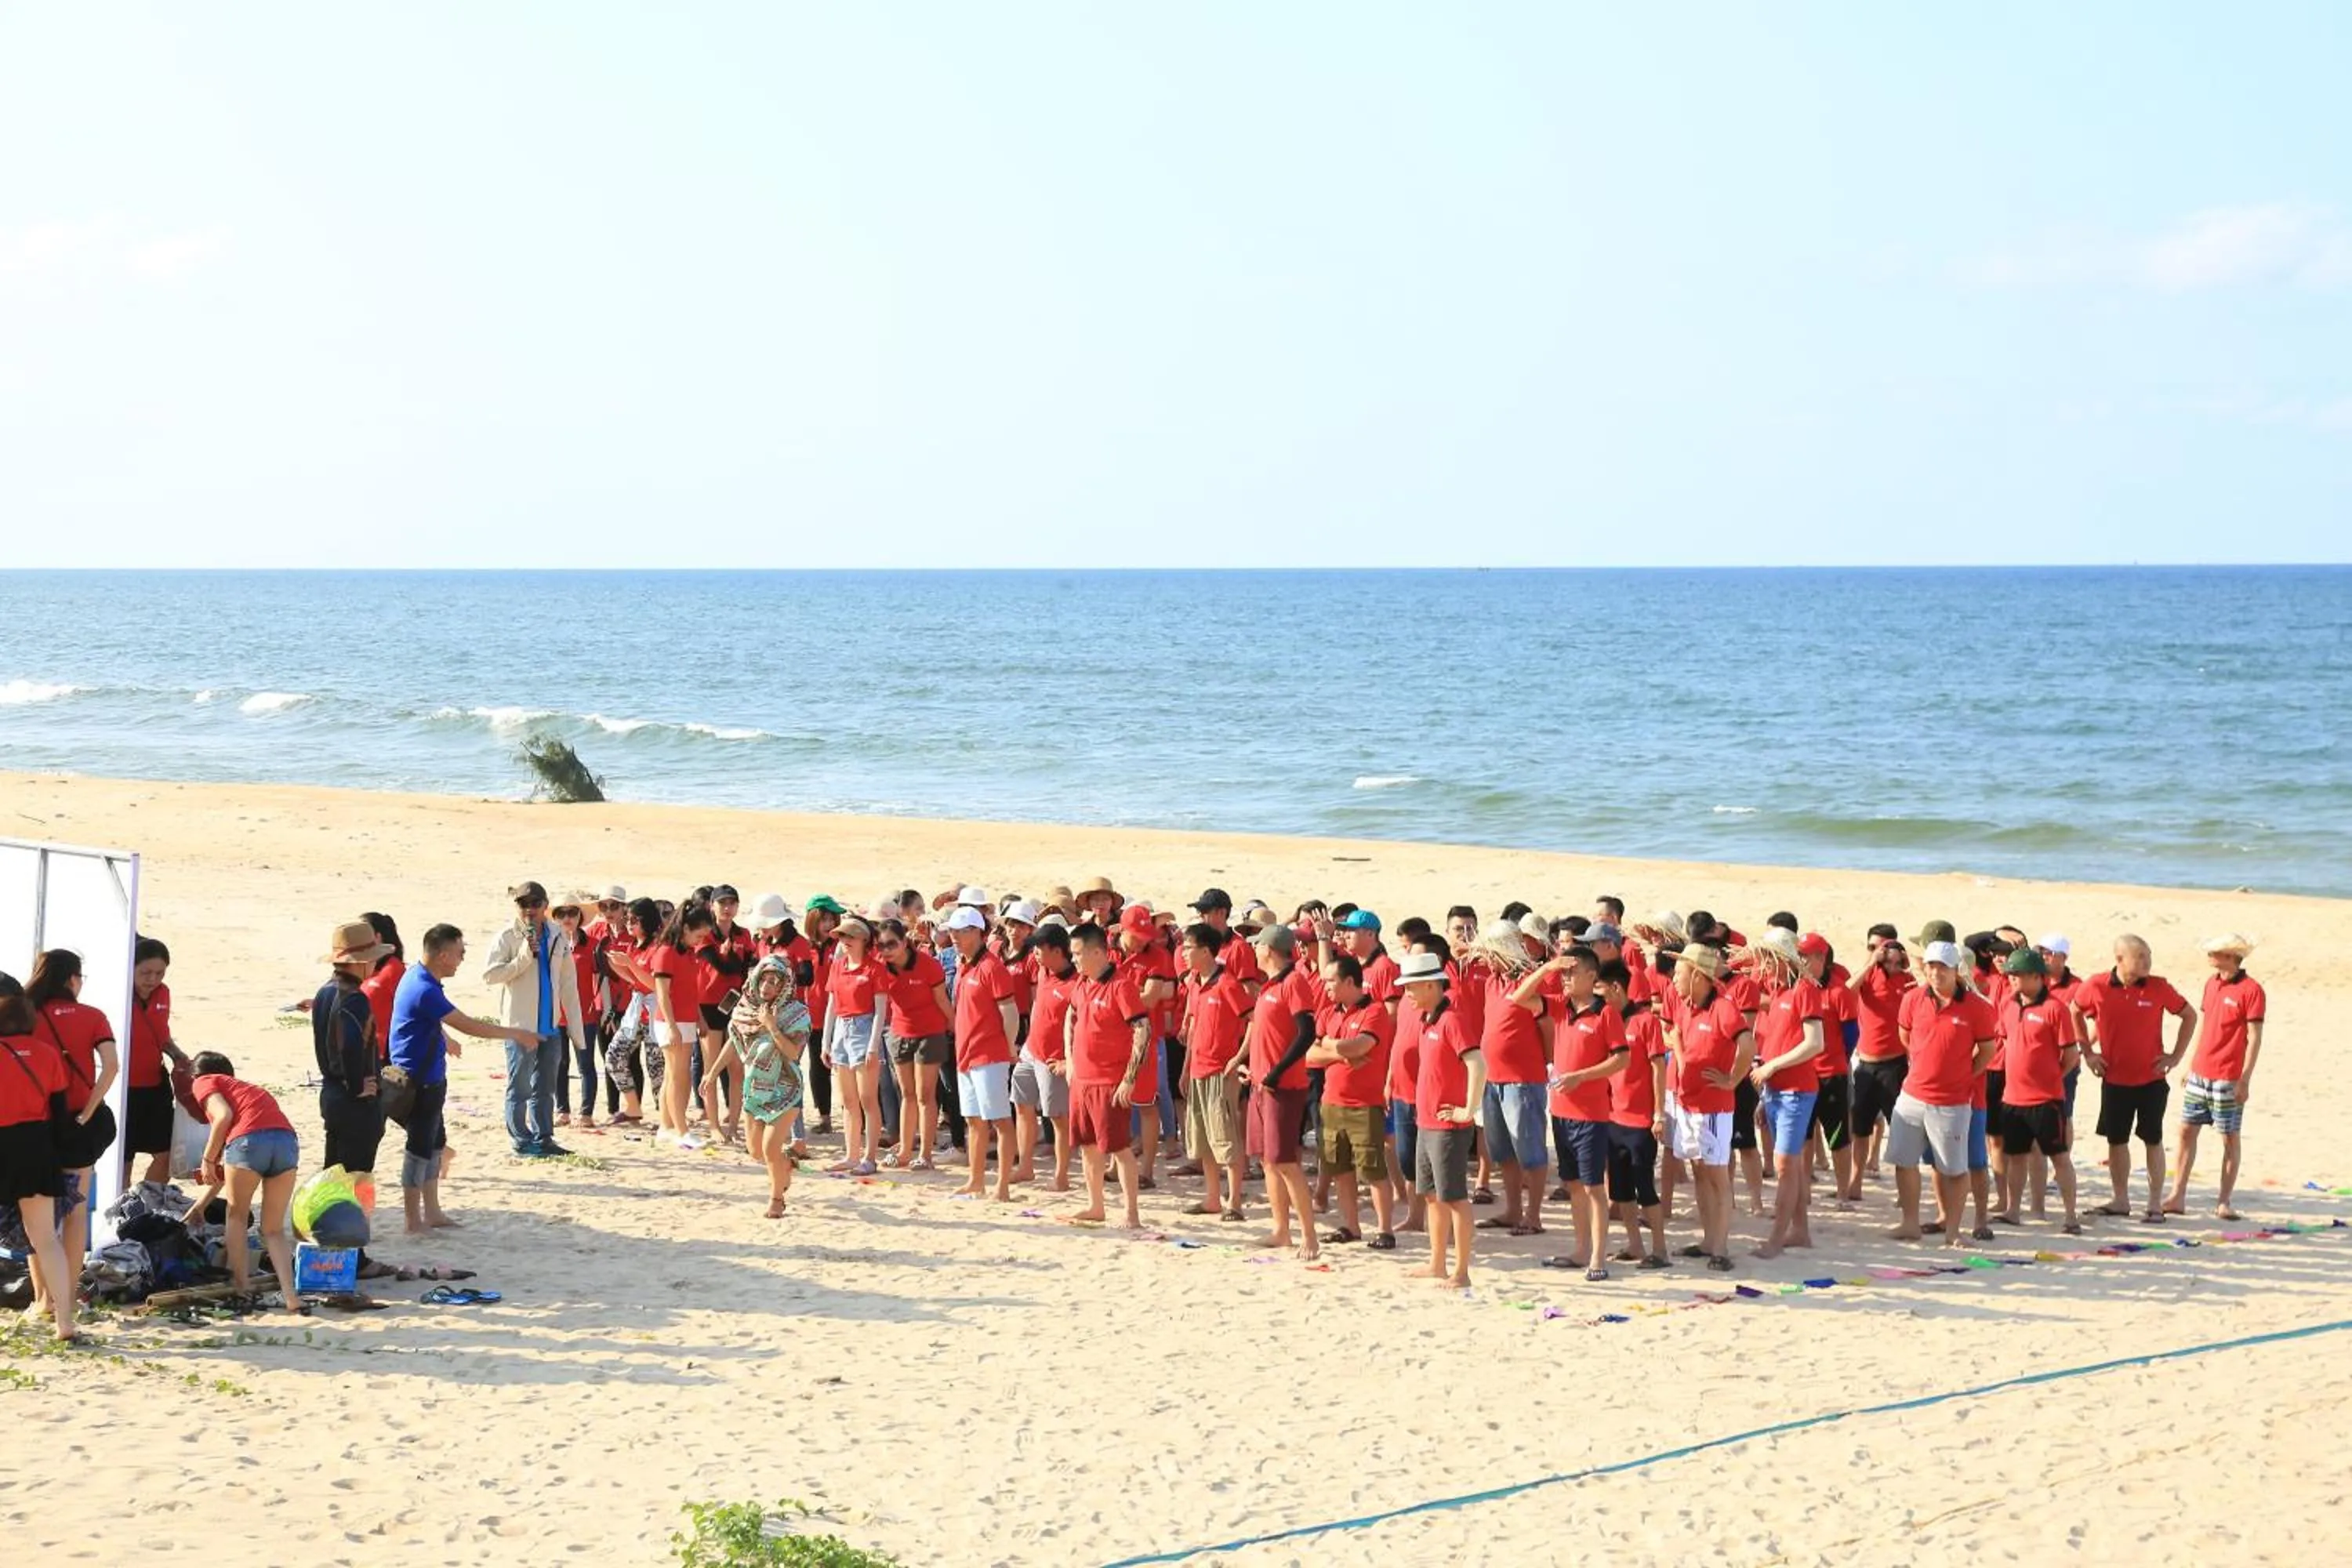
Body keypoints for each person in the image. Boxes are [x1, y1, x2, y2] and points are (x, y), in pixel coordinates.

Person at [389, 924, 542, 1233]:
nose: (462, 959)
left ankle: (431, 1212)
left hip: (430, 1077)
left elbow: (427, 1020)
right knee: (418, 1150)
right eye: (460, 953)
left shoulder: (420, 978)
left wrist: (444, 1039)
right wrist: (516, 1033)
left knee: (435, 1145)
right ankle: (412, 1220)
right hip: (416, 1082)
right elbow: (470, 1025)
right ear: (443, 955)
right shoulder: (423, 987)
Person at [2074, 934, 2197, 1223]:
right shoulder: (2096, 985)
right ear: (2120, 959)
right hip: (2115, 1079)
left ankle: (2155, 1204)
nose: (2146, 962)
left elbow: (2189, 1015)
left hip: (2151, 1080)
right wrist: (2088, 1052)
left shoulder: (2159, 986)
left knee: (2152, 1139)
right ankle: (2120, 1199)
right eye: (2140, 956)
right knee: (2116, 1141)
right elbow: (2075, 1011)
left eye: (2149, 956)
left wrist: (2175, 1057)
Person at [1888, 942, 1998, 1248]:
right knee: (1905, 1161)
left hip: (1952, 1101)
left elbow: (1988, 1050)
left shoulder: (1978, 1007)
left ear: (1955, 970)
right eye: (1931, 966)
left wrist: (1964, 1075)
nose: (1935, 972)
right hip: (1912, 1095)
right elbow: (1905, 1035)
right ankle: (1910, 1224)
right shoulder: (1912, 999)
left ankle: (1953, 1231)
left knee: (1954, 1169)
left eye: (1942, 967)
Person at [25, 949, 118, 1301]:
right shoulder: (93, 1016)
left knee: (37, 1218)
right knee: (77, 1213)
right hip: (80, 1124)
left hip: (37, 1124)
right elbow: (110, 1066)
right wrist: (87, 1112)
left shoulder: (26, 1013)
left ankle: (43, 1300)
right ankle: (67, 1297)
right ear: (72, 979)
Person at [180, 1051, 306, 1312]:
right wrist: (200, 1207)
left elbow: (223, 1117)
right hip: (286, 1142)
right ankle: (291, 1297)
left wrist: (207, 1158)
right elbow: (232, 1168)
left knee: (236, 1217)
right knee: (272, 1229)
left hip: (249, 1141)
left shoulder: (204, 1081)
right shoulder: (248, 1092)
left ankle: (241, 1287)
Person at [479, 882, 588, 1158]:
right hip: (519, 1026)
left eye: (535, 903)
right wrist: (523, 958)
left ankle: (544, 1137)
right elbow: (490, 975)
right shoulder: (507, 936)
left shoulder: (556, 934)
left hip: (549, 1025)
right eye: (523, 904)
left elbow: (568, 982)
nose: (529, 909)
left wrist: (576, 1029)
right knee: (520, 1086)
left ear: (544, 905)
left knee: (546, 1086)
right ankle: (520, 1139)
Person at [1664, 944, 1752, 1273]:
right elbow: (1674, 1032)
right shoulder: (1687, 1006)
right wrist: (1682, 1054)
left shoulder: (1724, 1007)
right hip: (1689, 1101)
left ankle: (1721, 1246)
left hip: (1713, 1107)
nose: (1674, 980)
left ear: (1698, 976)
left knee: (1717, 1175)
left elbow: (1748, 1043)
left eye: (1679, 974)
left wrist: (1733, 1079)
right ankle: (1707, 1240)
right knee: (1700, 1169)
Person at [0, 972, 78, 1341]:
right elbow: (60, 1115)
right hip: (36, 1146)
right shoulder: (47, 1054)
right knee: (46, 1238)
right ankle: (65, 1322)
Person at [2165, 935, 2265, 1221]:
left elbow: (2255, 1037)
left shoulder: (2251, 990)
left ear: (2232, 957)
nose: (2211, 954)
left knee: (2229, 1137)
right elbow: (2205, 1026)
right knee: (2186, 1131)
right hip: (2201, 1072)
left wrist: (2245, 1079)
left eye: (2217, 951)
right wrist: (2190, 1065)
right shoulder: (2211, 984)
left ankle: (2224, 1201)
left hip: (2228, 1076)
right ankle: (2177, 1196)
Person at [1541, 946, 1628, 1279]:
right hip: (1560, 1111)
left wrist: (1581, 1076)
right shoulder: (1560, 1008)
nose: (1565, 978)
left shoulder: (1606, 1013)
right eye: (1564, 973)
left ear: (1592, 977)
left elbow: (1622, 1058)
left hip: (1591, 1114)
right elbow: (1519, 998)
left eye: (1571, 972)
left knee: (1593, 1187)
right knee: (1574, 1184)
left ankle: (1598, 1258)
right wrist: (1551, 966)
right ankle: (1580, 1249)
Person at [700, 956, 808, 1218]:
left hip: (786, 1089)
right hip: (755, 1088)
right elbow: (734, 1041)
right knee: (756, 1151)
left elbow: (793, 1054)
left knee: (771, 1147)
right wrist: (712, 1073)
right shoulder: (745, 1008)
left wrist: (772, 1027)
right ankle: (786, 1166)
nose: (767, 986)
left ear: (784, 985)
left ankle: (776, 1200)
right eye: (764, 979)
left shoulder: (796, 1013)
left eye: (774, 981)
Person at [1402, 950, 1483, 1289]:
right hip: (1427, 1121)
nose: (1407, 994)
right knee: (1433, 1196)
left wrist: (1469, 1109)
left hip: (1449, 1126)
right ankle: (1437, 1262)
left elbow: (1477, 1062)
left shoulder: (1452, 1019)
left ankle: (1461, 1271)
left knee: (1453, 1198)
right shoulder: (1428, 1019)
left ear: (1432, 986)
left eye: (1412, 988)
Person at [1305, 953, 1396, 1250]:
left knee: (1372, 1170)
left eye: (1331, 980)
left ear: (1349, 981)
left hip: (1364, 1104)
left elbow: (1362, 1045)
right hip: (1331, 1102)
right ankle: (1351, 1226)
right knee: (1339, 1168)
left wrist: (1332, 1046)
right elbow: (1310, 1056)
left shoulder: (1375, 1011)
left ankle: (1385, 1230)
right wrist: (1343, 1053)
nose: (1326, 985)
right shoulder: (1329, 1013)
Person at [1244, 923, 1323, 1261]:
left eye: (1257, 945)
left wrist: (1276, 1072)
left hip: (1284, 1086)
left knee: (1287, 1162)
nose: (1254, 950)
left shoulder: (1293, 982)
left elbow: (1307, 1033)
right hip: (1262, 1084)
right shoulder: (1269, 986)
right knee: (1267, 1162)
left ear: (1270, 949)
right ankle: (1281, 1230)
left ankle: (1309, 1236)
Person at [1745, 929, 1825, 1260]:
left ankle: (1777, 1238)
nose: (1763, 965)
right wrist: (1766, 1089)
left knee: (1785, 1165)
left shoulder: (1804, 989)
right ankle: (1800, 1231)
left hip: (1796, 1090)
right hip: (1777, 1090)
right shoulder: (1777, 992)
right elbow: (1776, 1040)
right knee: (1789, 1167)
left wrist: (1772, 1067)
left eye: (1768, 958)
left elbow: (1814, 1042)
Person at [1065, 922, 1149, 1229]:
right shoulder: (1082, 984)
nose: (1073, 960)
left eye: (1077, 954)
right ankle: (1096, 1205)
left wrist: (1129, 1078)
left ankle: (1131, 1213)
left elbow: (1142, 1029)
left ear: (1097, 952)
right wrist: (1069, 1058)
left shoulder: (1121, 986)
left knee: (1119, 1148)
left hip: (1109, 1080)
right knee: (1087, 1145)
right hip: (1082, 1080)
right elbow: (1070, 1016)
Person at [1992, 947, 2081, 1232]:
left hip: (2046, 1099)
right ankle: (2014, 1210)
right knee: (2016, 1157)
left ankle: (2070, 1216)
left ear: (2036, 977)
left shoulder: (2055, 1009)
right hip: (2012, 1098)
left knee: (2059, 1157)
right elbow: (2005, 1041)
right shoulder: (2008, 1005)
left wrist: (2051, 1077)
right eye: (2010, 976)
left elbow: (2070, 1055)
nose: (2012, 980)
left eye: (2017, 975)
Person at [1475, 919, 1555, 1237]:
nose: (1487, 958)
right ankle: (1513, 1210)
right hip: (1493, 1077)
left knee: (1530, 1150)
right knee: (1503, 1151)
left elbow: (1547, 1026)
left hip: (1523, 1078)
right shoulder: (1492, 982)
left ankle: (1533, 1215)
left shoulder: (1531, 982)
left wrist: (1549, 1062)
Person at [1176, 921, 1250, 1221]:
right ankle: (1212, 1198)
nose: (1183, 952)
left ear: (1205, 951)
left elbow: (1253, 1020)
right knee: (1204, 1138)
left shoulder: (1228, 984)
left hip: (1221, 1070)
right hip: (1197, 1069)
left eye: (1188, 947)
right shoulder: (1195, 982)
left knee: (1226, 1137)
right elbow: (1193, 1028)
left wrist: (1238, 1058)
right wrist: (1185, 1069)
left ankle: (1234, 1202)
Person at [1598, 957, 1668, 1269]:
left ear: (1616, 988)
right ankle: (1635, 1245)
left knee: (1645, 1187)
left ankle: (1660, 1249)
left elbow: (1658, 1067)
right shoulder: (1607, 1020)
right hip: (1613, 1118)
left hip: (1641, 1121)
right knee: (1621, 1189)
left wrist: (1658, 1114)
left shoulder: (1645, 1021)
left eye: (1600, 991)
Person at [946, 908, 1019, 1201]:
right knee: (974, 1121)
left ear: (978, 932)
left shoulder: (992, 967)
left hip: (989, 1054)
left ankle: (1002, 1185)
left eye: (961, 931)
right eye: (952, 931)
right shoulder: (963, 965)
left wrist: (1010, 1045)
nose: (954, 937)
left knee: (1000, 1121)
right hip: (966, 1053)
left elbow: (1009, 1011)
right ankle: (976, 1180)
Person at [873, 918, 953, 1171]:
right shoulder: (880, 967)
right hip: (899, 1032)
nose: (886, 950)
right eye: (881, 945)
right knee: (906, 1093)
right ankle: (906, 1150)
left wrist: (955, 1027)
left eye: (891, 944)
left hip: (930, 1032)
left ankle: (926, 1154)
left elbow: (942, 1000)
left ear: (905, 942)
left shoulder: (929, 965)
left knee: (924, 1094)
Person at [312, 921, 387, 1175]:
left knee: (332, 1176)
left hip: (332, 1095)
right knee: (354, 1179)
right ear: (360, 961)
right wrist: (357, 1086)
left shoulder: (325, 991)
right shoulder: (354, 997)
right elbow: (351, 1045)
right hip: (353, 1102)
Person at [1845, 928, 1915, 1196]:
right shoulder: (1869, 976)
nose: (1894, 966)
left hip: (1895, 1065)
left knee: (1899, 1129)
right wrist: (1872, 962)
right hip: (1866, 1065)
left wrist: (1911, 968)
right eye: (1889, 961)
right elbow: (1847, 991)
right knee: (1859, 1128)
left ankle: (1903, 1191)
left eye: (1899, 962)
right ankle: (1855, 1182)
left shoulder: (1908, 981)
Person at [645, 902, 717, 1149]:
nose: (700, 941)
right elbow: (662, 994)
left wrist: (700, 1018)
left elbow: (689, 990)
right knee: (679, 1076)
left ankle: (666, 1126)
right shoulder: (665, 952)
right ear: (685, 928)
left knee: (672, 1075)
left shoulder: (688, 953)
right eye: (698, 935)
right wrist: (673, 1026)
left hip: (687, 1018)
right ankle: (681, 1130)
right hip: (670, 1021)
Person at [1014, 921, 1077, 1190]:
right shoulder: (1044, 972)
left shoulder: (1077, 984)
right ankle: (1025, 1167)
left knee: (1058, 1119)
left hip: (1054, 1059)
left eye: (1040, 948)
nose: (1035, 954)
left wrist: (1069, 1061)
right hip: (1031, 1051)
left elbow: (1083, 1028)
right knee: (1021, 1105)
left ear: (1056, 950)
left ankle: (1061, 1177)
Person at [125, 935, 191, 1186]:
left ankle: (146, 1204)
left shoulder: (163, 993)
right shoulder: (118, 996)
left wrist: (179, 1057)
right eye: (145, 973)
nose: (152, 980)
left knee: (165, 1155)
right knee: (124, 1160)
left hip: (155, 1086)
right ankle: (122, 1212)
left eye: (160, 973)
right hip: (123, 1090)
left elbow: (162, 1036)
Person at [822, 917, 885, 1174]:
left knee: (867, 1099)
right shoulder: (838, 966)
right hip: (842, 1030)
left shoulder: (874, 969)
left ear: (863, 940)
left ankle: (869, 1157)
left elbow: (880, 1011)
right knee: (848, 1100)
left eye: (851, 936)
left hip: (863, 1028)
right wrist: (826, 1042)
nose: (845, 941)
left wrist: (872, 1046)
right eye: (842, 937)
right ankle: (851, 1154)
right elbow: (832, 1006)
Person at [697, 886, 758, 1138]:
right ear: (712, 905)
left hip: (735, 1005)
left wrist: (734, 960)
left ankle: (733, 1124)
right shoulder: (705, 935)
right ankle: (714, 1126)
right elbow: (723, 967)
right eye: (722, 902)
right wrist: (733, 958)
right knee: (711, 1069)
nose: (727, 907)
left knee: (737, 1069)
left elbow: (748, 968)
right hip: (709, 1006)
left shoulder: (743, 934)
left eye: (732, 902)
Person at [550, 893, 603, 1131]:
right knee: (560, 1063)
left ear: (580, 916)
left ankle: (586, 1113)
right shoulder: (550, 944)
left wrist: (602, 1008)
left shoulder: (592, 945)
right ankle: (562, 1110)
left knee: (586, 1065)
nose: (567, 918)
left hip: (585, 1014)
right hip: (557, 1014)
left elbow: (601, 978)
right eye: (561, 913)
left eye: (572, 913)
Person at [360, 912, 408, 1064]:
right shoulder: (363, 965)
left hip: (383, 1052)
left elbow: (413, 1006)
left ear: (378, 937)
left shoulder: (394, 969)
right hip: (360, 1047)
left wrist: (444, 1037)